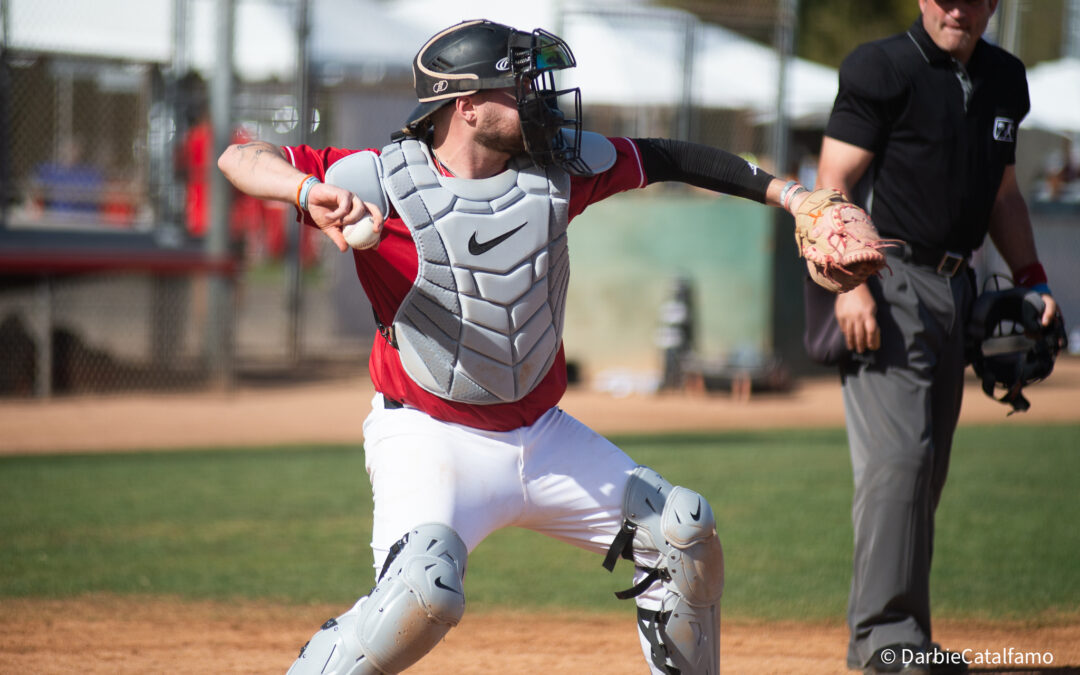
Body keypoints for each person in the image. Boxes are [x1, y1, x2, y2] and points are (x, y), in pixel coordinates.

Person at [219, 19, 870, 675]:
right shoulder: (377, 180)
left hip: (546, 436)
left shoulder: (557, 172)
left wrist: (795, 196)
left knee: (684, 534)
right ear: (466, 106)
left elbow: (671, 156)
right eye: (522, 88)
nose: (542, 102)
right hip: (429, 437)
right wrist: (305, 190)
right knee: (422, 594)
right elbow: (240, 157)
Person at [814, 2, 1061, 673]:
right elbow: (832, 182)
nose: (958, 8)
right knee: (900, 458)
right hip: (887, 277)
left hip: (962, 286)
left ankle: (904, 637)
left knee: (928, 469)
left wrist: (1032, 276)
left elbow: (1004, 192)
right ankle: (884, 637)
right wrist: (850, 284)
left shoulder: (1006, 78)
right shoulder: (882, 67)